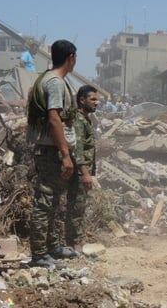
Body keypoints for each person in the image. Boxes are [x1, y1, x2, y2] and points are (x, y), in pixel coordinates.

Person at [26, 39, 78, 268]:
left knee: (55, 200)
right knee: (45, 202)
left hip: (50, 150)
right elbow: (54, 118)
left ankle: (52, 246)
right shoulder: (55, 82)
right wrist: (65, 154)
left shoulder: (46, 78)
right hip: (52, 151)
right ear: (71, 58)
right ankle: (38, 254)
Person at [64, 84, 99, 257]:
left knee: (79, 208)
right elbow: (77, 150)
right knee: (75, 209)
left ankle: (74, 243)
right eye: (92, 99)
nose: (96, 103)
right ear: (82, 100)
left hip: (83, 172)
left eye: (96, 99)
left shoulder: (86, 119)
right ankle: (73, 245)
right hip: (79, 173)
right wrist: (85, 173)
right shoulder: (78, 120)